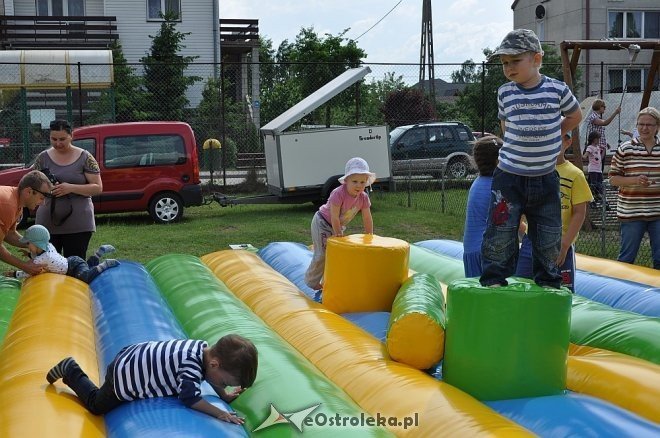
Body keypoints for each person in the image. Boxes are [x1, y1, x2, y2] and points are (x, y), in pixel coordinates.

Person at [480, 29, 582, 289]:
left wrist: (553, 131)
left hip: (545, 178)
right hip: (509, 178)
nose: (509, 68)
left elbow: (575, 116)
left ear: (536, 59)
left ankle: (549, 281)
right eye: (504, 63)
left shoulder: (557, 90)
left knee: (547, 233)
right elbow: (506, 126)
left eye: (515, 61)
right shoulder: (505, 92)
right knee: (501, 230)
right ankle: (494, 279)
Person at [46, 334, 258, 424]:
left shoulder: (204, 349)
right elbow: (191, 399)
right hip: (125, 377)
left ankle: (71, 370)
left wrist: (225, 395)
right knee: (96, 405)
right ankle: (71, 370)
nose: (222, 386)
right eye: (225, 383)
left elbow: (213, 379)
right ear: (214, 364)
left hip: (131, 355)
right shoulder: (191, 366)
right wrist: (221, 413)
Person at [516, 132, 593, 291]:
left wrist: (565, 245)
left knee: (560, 291)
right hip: (532, 241)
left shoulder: (575, 174)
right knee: (521, 286)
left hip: (560, 243)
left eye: (556, 139)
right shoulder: (534, 170)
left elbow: (579, 212)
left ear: (568, 142)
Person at [32, 119, 102, 259]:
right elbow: (33, 187)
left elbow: (97, 187)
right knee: (48, 266)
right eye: (54, 139)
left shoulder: (85, 157)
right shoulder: (42, 158)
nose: (58, 143)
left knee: (75, 265)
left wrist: (70, 188)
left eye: (62, 139)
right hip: (47, 222)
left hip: (79, 223)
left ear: (72, 135)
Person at [304, 157, 375, 291]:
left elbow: (367, 217)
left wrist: (370, 235)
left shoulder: (364, 197)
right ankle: (311, 281)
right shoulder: (338, 193)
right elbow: (334, 216)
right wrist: (338, 234)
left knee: (334, 254)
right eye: (355, 181)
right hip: (322, 222)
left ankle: (329, 280)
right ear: (346, 180)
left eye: (362, 182)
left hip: (337, 225)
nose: (359, 186)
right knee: (322, 253)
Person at [608, 106, 660, 269]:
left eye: (649, 125)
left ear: (657, 127)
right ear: (636, 126)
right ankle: (620, 292)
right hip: (632, 212)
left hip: (658, 213)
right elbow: (612, 179)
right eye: (641, 124)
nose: (644, 128)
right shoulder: (626, 148)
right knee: (627, 258)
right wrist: (635, 180)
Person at [4, 224, 119, 283]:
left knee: (85, 278)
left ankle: (104, 265)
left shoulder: (43, 258)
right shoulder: (48, 246)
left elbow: (29, 271)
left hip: (72, 269)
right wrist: (29, 255)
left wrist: (15, 274)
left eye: (28, 243)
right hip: (73, 261)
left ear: (37, 244)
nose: (27, 246)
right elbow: (37, 255)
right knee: (88, 267)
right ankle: (98, 254)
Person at [462, 135, 502, 277]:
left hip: (470, 250)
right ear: (498, 160)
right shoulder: (497, 186)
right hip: (488, 252)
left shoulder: (477, 183)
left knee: (477, 294)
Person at [0, 170, 53, 276]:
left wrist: (36, 244)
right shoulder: (8, 204)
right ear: (29, 192)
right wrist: (25, 266)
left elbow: (9, 234)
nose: (43, 203)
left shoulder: (17, 203)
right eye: (42, 198)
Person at [582, 131, 607, 207]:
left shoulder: (597, 148)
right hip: (593, 169)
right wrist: (582, 154)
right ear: (593, 139)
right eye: (597, 139)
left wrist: (604, 150)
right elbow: (585, 156)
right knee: (594, 185)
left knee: (600, 185)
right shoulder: (590, 147)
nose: (598, 140)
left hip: (598, 169)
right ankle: (592, 200)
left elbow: (601, 158)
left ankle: (598, 199)